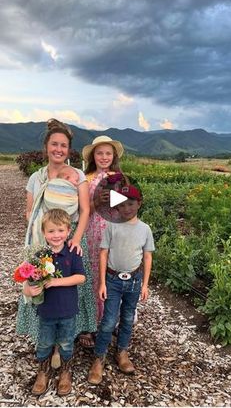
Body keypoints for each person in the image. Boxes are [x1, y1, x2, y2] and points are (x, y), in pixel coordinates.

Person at [16, 118, 96, 355]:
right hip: (43, 240)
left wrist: (74, 238)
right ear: (46, 147)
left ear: (68, 149)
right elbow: (29, 213)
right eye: (54, 144)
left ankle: (70, 336)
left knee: (73, 287)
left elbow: (85, 210)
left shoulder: (77, 175)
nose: (59, 149)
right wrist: (44, 233)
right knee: (41, 283)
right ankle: (44, 336)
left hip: (70, 239)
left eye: (63, 145)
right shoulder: (36, 178)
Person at [88, 185, 155, 385]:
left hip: (134, 281)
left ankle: (122, 352)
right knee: (108, 321)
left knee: (127, 318)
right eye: (122, 205)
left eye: (131, 204)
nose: (127, 208)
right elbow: (103, 253)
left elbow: (147, 256)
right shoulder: (112, 226)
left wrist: (145, 284)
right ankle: (99, 358)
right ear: (116, 207)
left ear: (139, 204)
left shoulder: (145, 229)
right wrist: (102, 282)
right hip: (113, 280)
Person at [31, 209, 86, 396]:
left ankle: (65, 372)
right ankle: (43, 372)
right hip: (46, 310)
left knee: (66, 342)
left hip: (67, 310)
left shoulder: (73, 252)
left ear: (68, 231)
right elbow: (29, 280)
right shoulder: (39, 254)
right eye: (51, 231)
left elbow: (80, 278)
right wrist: (30, 289)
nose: (56, 235)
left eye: (60, 230)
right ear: (44, 233)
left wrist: (55, 281)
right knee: (44, 343)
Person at [80, 136, 124, 347]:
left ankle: (109, 321)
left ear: (113, 156)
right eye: (100, 153)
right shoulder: (85, 178)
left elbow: (127, 206)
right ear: (93, 156)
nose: (104, 157)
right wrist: (96, 201)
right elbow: (82, 207)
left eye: (108, 153)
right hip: (90, 230)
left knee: (111, 275)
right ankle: (89, 323)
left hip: (112, 231)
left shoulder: (120, 178)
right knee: (91, 276)